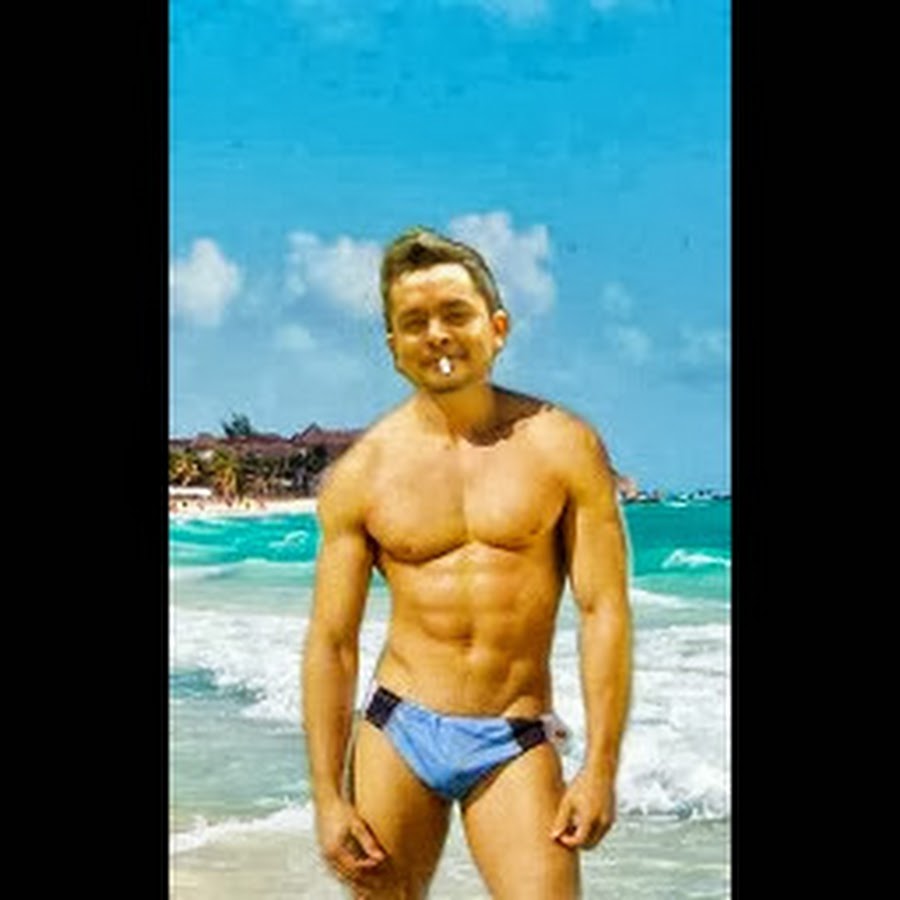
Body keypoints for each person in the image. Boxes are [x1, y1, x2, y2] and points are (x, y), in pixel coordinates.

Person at [302, 226, 632, 898]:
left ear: (497, 327)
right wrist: (327, 797)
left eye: (456, 314)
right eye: (415, 322)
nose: (438, 336)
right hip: (398, 728)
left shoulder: (564, 447)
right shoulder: (361, 475)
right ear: (394, 347)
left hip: (514, 736)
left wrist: (600, 766)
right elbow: (333, 642)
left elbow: (603, 611)